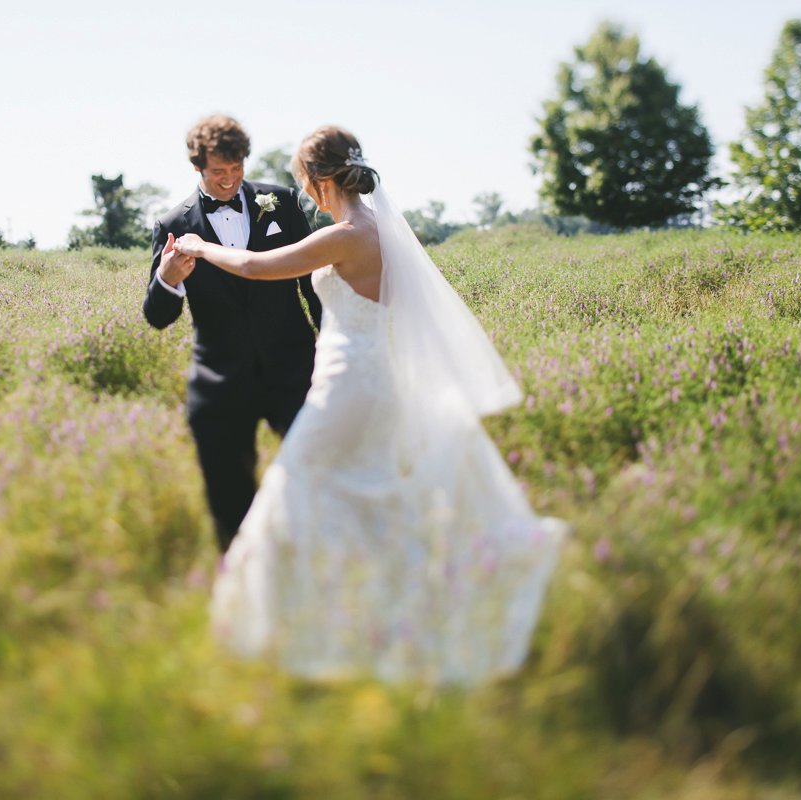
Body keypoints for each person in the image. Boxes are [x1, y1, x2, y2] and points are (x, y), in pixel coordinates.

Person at [173, 126, 567, 685]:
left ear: (319, 180)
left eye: (303, 182)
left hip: (350, 385)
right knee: (364, 489)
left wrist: (198, 246)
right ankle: (376, 612)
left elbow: (259, 267)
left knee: (297, 482)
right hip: (370, 379)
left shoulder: (349, 235)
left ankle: (288, 632)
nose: (302, 193)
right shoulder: (373, 229)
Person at [143, 115, 322, 553]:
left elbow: (312, 286)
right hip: (221, 381)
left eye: (236, 169)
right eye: (218, 172)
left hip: (294, 370)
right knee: (229, 501)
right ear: (197, 168)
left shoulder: (280, 202)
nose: (228, 180)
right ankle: (243, 587)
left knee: (320, 478)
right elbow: (157, 316)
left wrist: (332, 350)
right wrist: (168, 278)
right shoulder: (172, 224)